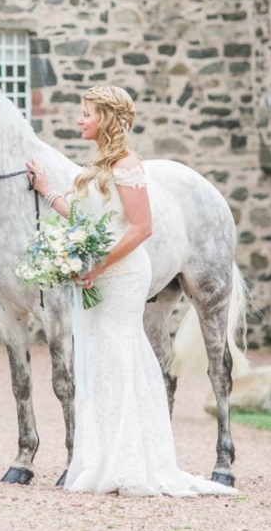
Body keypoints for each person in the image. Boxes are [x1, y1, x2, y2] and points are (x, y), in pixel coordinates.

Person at [26, 86, 237, 497]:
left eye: (86, 113)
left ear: (106, 118)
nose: (79, 119)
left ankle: (137, 462)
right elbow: (92, 222)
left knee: (121, 355)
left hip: (123, 275)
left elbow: (142, 228)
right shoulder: (99, 165)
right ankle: (106, 460)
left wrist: (97, 264)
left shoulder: (127, 164)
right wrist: (48, 192)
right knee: (100, 360)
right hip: (102, 272)